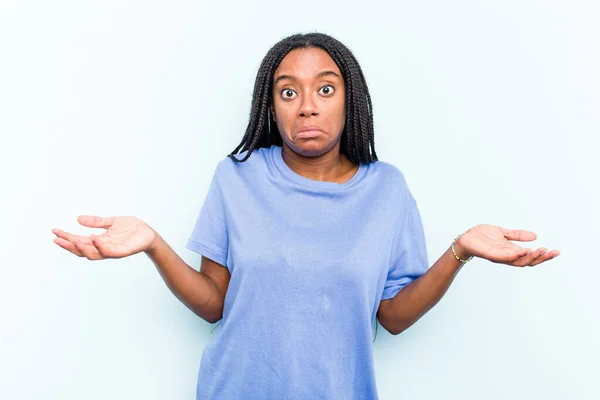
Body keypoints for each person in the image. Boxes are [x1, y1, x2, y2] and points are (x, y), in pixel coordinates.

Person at [51, 32, 559, 399]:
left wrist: (461, 250)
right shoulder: (237, 178)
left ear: (349, 99)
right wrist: (154, 244)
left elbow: (394, 317)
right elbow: (214, 304)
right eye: (288, 91)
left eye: (325, 88)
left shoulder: (388, 189)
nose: (307, 106)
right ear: (271, 107)